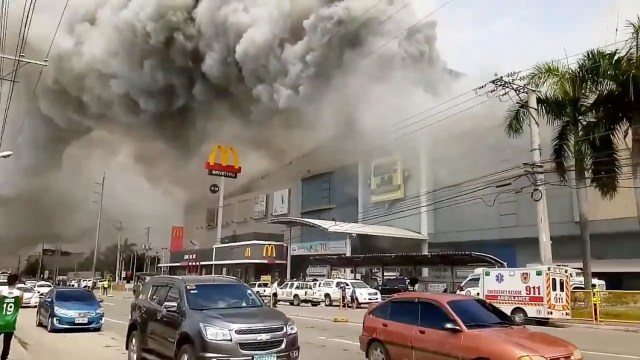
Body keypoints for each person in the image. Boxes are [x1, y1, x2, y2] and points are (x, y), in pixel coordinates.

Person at [0, 274, 23, 360]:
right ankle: (3, 357)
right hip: (11, 322)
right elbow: (20, 305)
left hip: (1, 320)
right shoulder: (20, 294)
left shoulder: (1, 293)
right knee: (7, 344)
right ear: (16, 282)